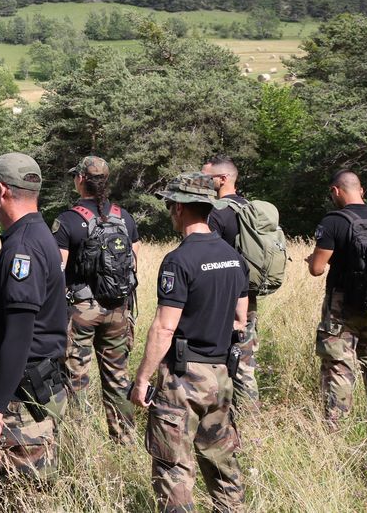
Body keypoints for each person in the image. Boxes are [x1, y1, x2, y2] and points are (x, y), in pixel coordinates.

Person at [129, 173, 247, 513]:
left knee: (173, 468)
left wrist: (141, 380)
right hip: (221, 375)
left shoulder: (179, 260)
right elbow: (240, 319)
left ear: (179, 208)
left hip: (183, 378)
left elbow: (165, 329)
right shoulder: (232, 257)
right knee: (222, 464)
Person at [0, 153, 68, 488]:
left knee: (15, 496)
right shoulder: (33, 236)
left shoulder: (23, 248)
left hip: (21, 401)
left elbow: (20, 336)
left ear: (1, 190)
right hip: (19, 392)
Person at [52, 155, 139, 443]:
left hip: (81, 309)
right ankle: (124, 439)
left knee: (75, 378)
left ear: (80, 180)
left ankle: (79, 443)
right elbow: (134, 263)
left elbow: (56, 270)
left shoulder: (67, 220)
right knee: (118, 376)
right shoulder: (124, 217)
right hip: (118, 308)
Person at [305, 171, 367, 425]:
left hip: (342, 306)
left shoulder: (333, 222)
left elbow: (317, 268)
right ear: (362, 191)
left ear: (336, 191)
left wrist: (312, 261)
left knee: (339, 367)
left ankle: (336, 429)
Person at [201, 155, 260, 406]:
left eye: (206, 178)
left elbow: (206, 255)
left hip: (223, 298)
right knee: (245, 359)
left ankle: (223, 415)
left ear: (223, 179)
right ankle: (249, 419)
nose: (201, 182)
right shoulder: (251, 208)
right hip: (249, 293)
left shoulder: (216, 212)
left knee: (219, 360)